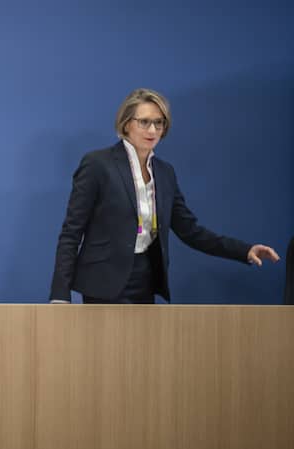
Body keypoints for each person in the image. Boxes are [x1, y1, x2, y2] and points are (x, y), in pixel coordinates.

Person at [50, 88, 278, 304]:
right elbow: (72, 231)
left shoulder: (164, 172)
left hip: (145, 280)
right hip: (102, 281)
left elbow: (191, 231)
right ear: (127, 123)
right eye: (144, 122)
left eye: (159, 123)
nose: (152, 131)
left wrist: (244, 251)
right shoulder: (98, 164)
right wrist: (60, 293)